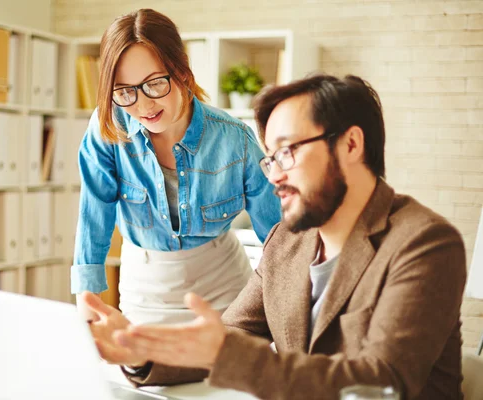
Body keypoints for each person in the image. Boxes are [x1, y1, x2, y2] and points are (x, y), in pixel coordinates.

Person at [81, 74, 467, 399]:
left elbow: (383, 382)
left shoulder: (424, 243)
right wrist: (141, 352)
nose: (274, 175)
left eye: (288, 152)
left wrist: (228, 354)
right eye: (271, 157)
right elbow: (229, 334)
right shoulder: (287, 241)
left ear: (351, 144)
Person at [71, 8, 281, 325]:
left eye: (154, 84)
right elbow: (94, 216)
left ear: (181, 70)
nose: (143, 106)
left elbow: (279, 237)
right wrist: (88, 302)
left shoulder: (234, 140)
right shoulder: (108, 130)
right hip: (144, 296)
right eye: (124, 91)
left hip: (225, 297)